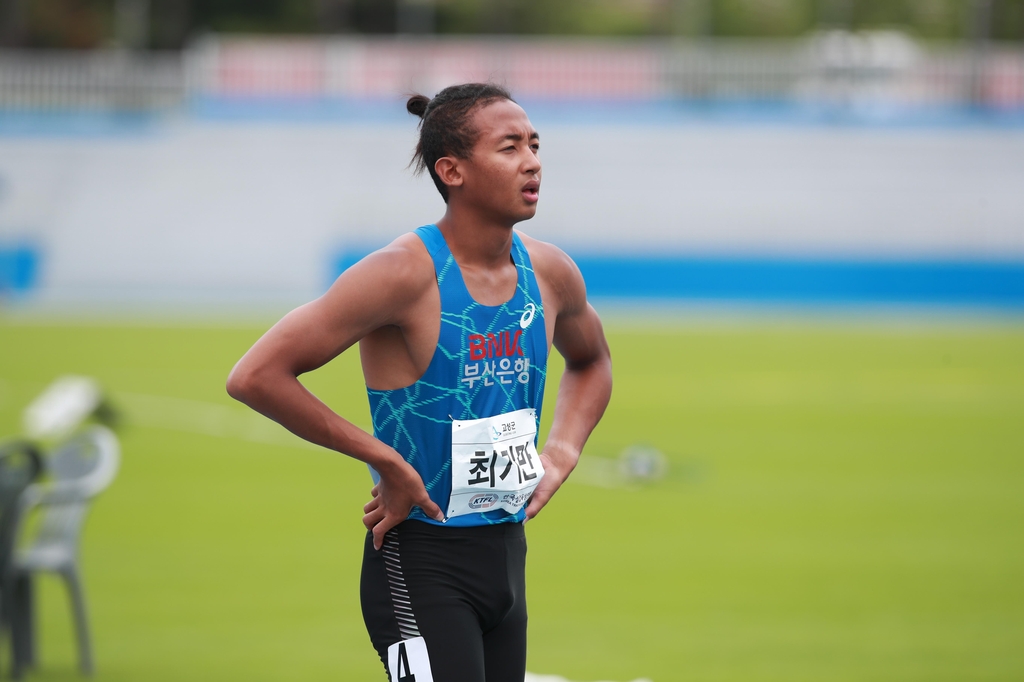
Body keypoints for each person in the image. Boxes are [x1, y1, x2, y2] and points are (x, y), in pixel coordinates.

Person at [226, 82, 612, 682]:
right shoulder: (402, 273)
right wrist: (389, 462)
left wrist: (562, 450)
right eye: (510, 147)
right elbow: (255, 376)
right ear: (451, 170)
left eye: (535, 145)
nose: (533, 161)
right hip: (419, 563)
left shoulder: (552, 272)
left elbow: (591, 363)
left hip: (507, 555)